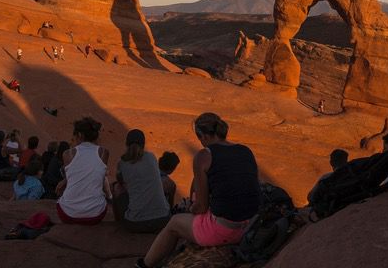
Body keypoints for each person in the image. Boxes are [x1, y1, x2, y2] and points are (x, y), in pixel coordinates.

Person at [139, 113, 260, 268]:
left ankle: (144, 264)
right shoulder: (245, 150)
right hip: (250, 225)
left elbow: (201, 207)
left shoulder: (204, 156)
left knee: (174, 224)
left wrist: (191, 208)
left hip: (224, 230)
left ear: (202, 136)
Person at [113, 129, 171, 233]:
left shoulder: (122, 163)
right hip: (162, 221)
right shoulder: (152, 157)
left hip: (135, 224)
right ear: (143, 145)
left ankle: (118, 222)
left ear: (126, 144)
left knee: (117, 187)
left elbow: (121, 182)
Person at [56, 117, 110, 225]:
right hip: (96, 215)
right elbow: (99, 177)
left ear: (80, 135)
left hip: (68, 215)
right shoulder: (104, 153)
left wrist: (64, 181)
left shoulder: (67, 154)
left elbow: (73, 175)